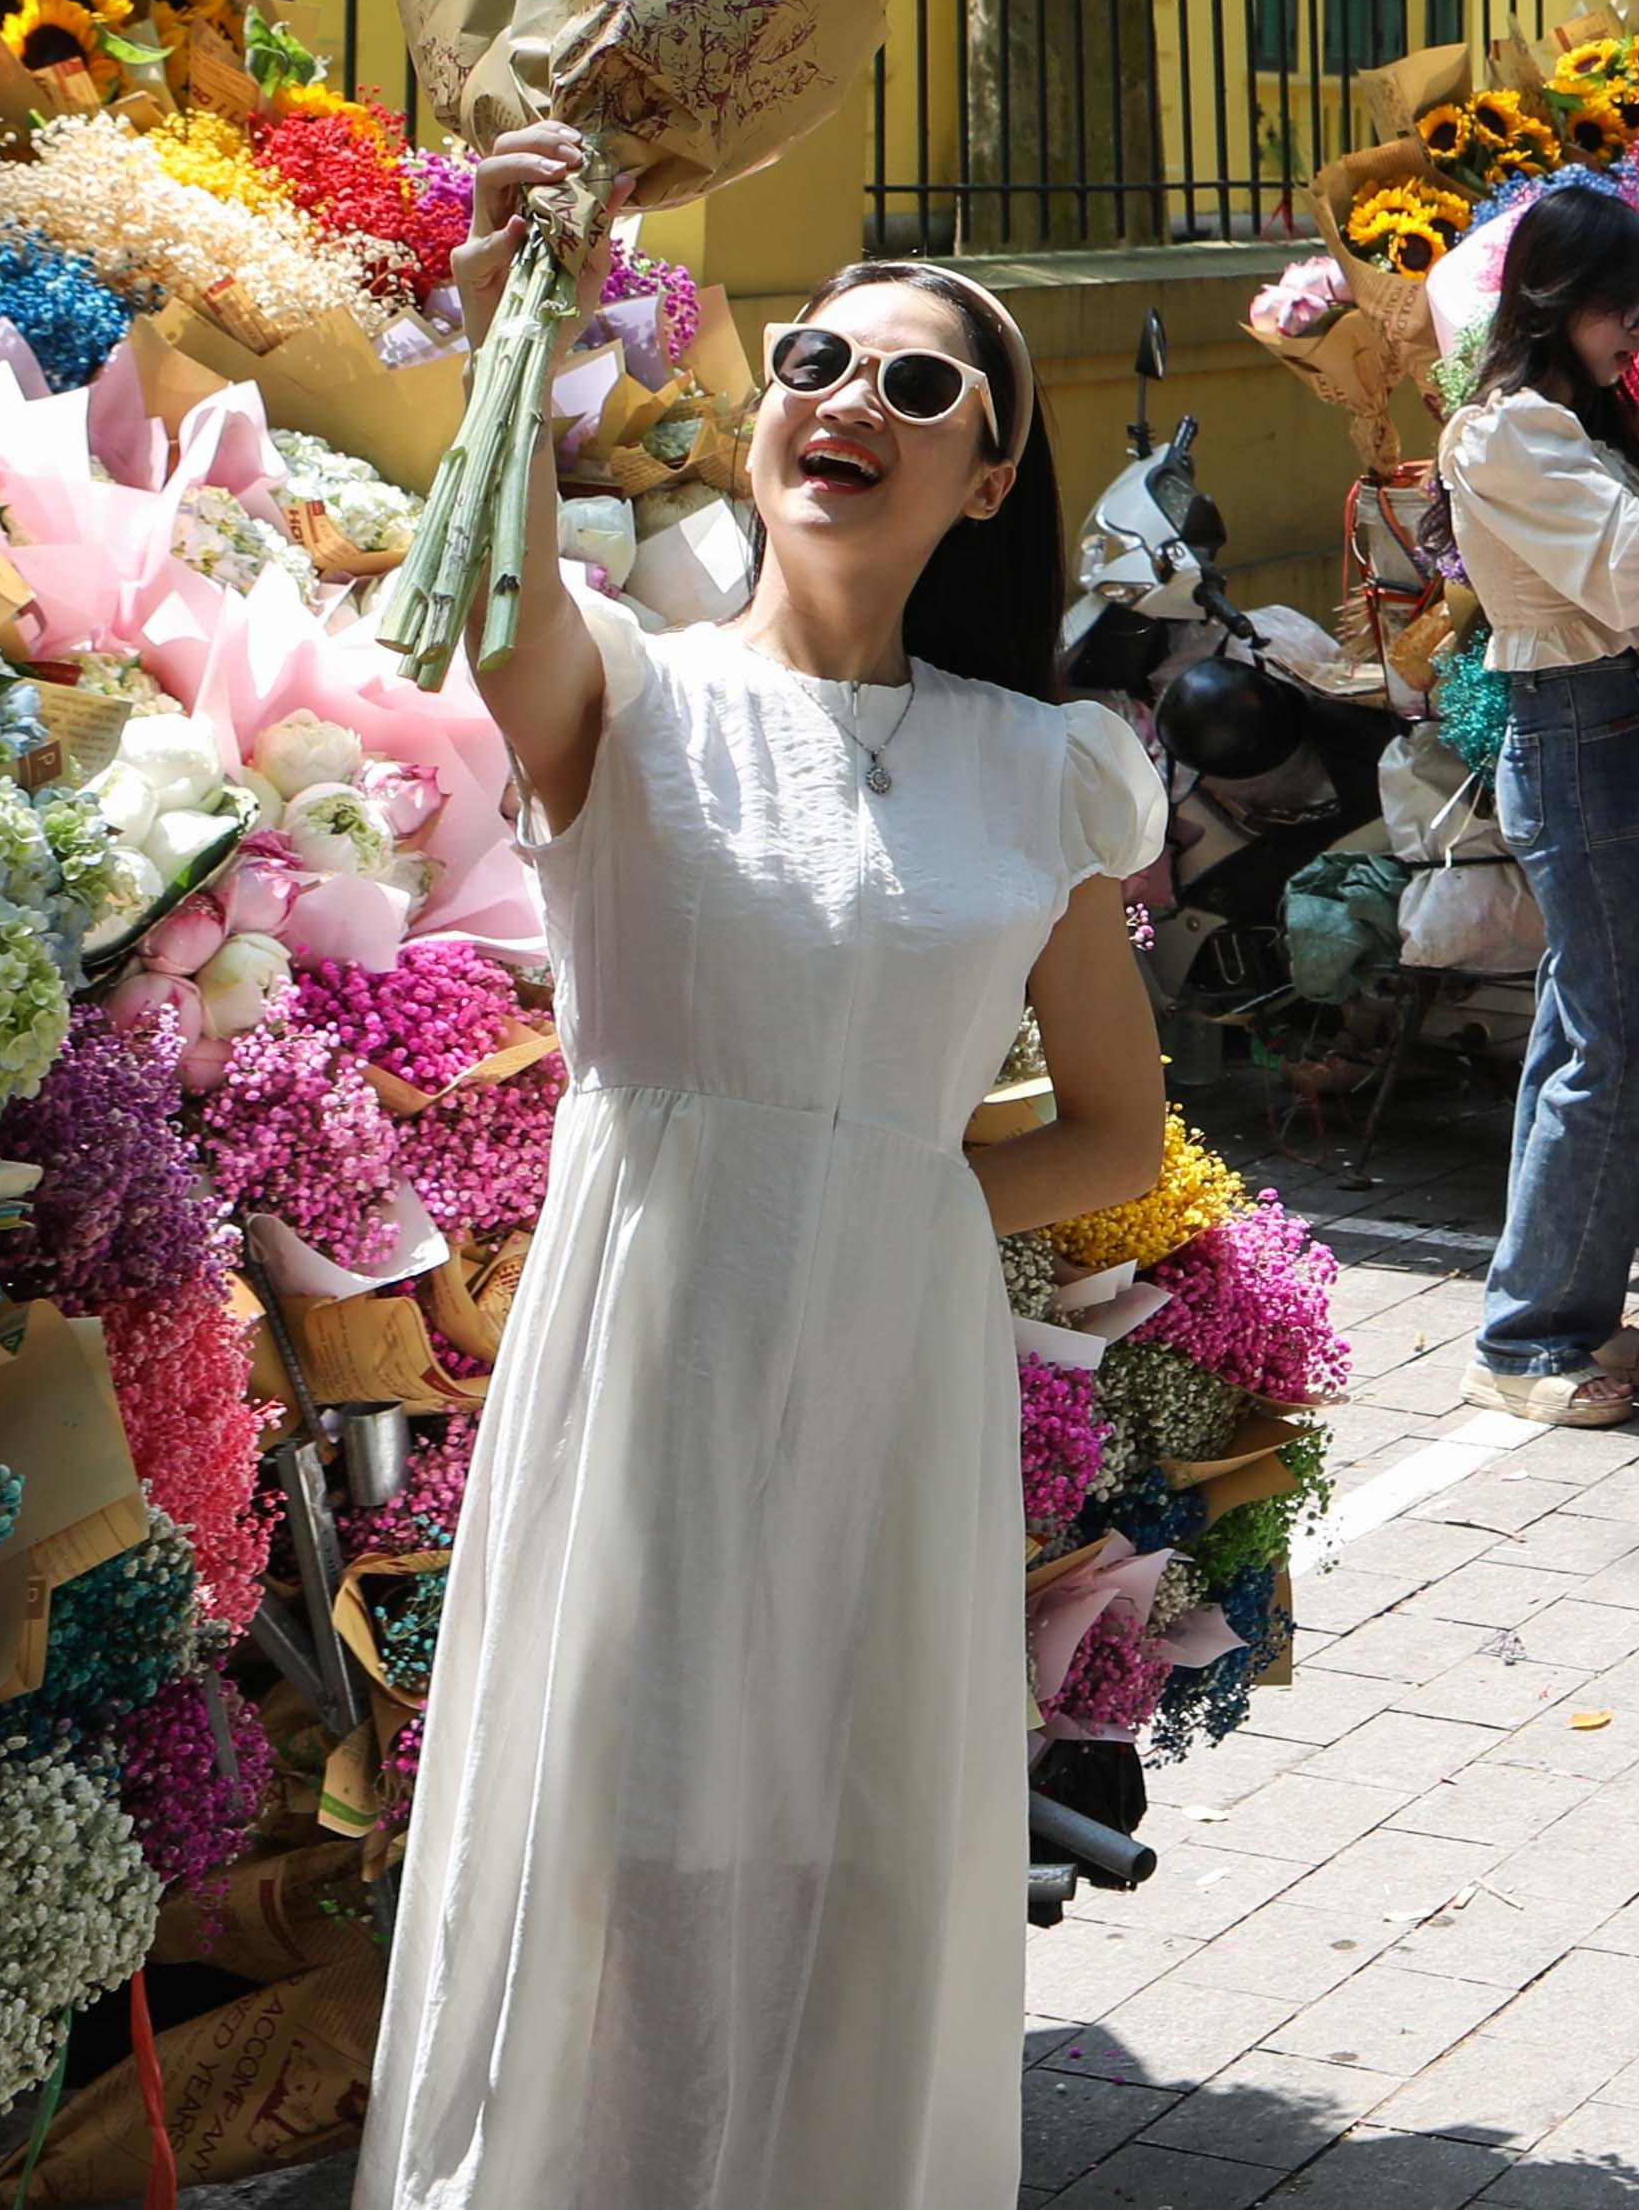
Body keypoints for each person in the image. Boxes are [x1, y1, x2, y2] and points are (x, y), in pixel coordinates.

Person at [369, 155, 1172, 2210]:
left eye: (924, 391)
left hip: (887, 1371)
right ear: (755, 415)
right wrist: (513, 327)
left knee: (857, 1839)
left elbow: (1110, 1128)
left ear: (990, 481)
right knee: (630, 1828)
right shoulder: (634, 695)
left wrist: (889, 1199)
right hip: (652, 1342)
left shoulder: (1045, 764)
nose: (855, 403)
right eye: (819, 361)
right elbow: (490, 600)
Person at [1432, 183, 1639, 1428]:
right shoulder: (1506, 434)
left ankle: (1568, 1302)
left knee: (1593, 1031)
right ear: (1558, 299)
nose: (1636, 337)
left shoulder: (1569, 420)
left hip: (1627, 715)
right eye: (1625, 310)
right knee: (1618, 1040)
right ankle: (1527, 1336)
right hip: (1580, 728)